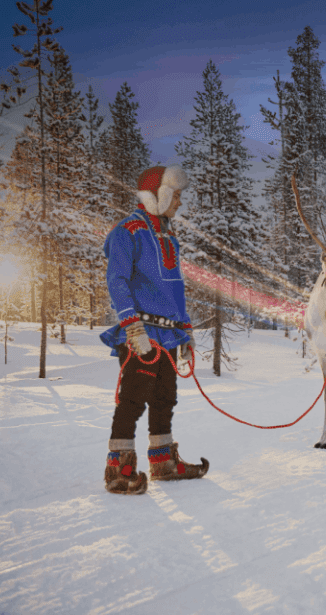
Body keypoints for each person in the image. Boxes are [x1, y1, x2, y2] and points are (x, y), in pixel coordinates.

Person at [100, 164, 208, 494]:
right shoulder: (127, 231)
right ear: (159, 196)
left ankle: (163, 462)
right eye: (175, 196)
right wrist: (132, 327)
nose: (179, 203)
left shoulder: (168, 236)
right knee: (133, 399)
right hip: (141, 333)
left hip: (168, 333)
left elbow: (175, 288)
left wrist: (185, 330)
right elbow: (116, 280)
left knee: (165, 398)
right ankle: (119, 469)